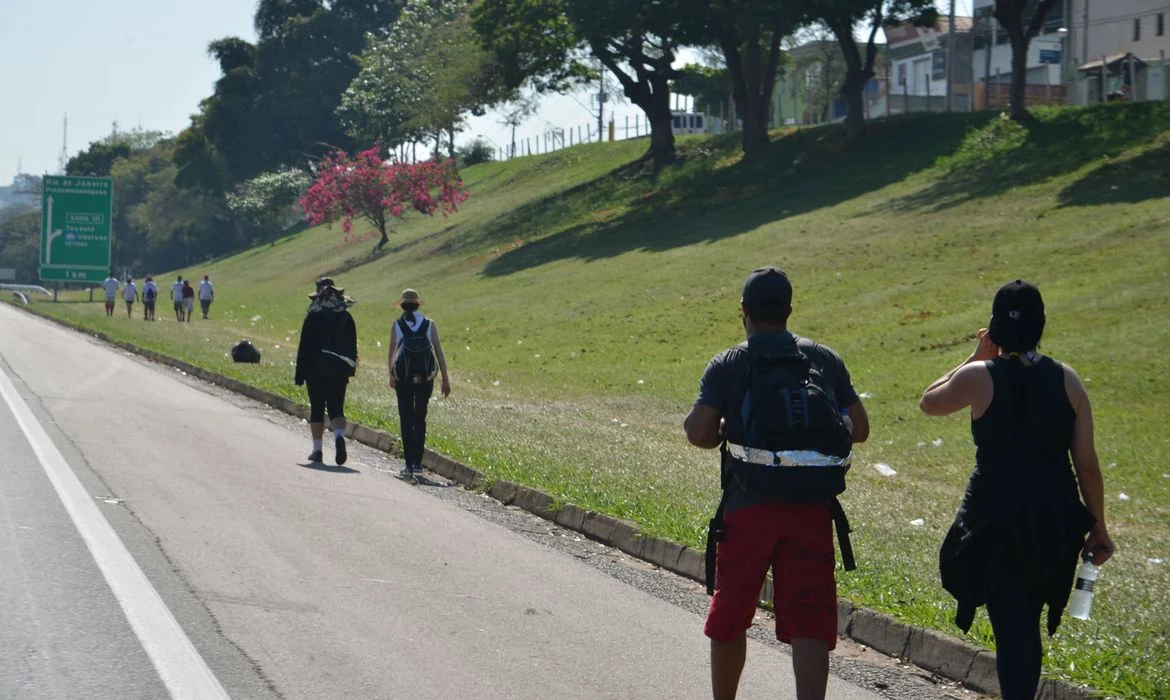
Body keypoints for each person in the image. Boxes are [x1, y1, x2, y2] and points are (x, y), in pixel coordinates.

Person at [919, 280, 1113, 700]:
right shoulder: (1068, 380)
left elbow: (929, 402)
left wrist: (975, 356)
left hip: (995, 518)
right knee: (1026, 623)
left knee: (1014, 625)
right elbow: (1088, 466)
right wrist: (1098, 527)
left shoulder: (978, 376)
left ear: (994, 328)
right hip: (1054, 518)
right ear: (1041, 325)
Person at [684, 267, 868, 700]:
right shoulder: (823, 358)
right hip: (813, 508)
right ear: (788, 309)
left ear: (743, 311)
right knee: (810, 622)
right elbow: (858, 428)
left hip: (748, 506)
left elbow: (698, 432)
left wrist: (724, 430)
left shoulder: (730, 363)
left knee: (731, 616)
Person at [387, 289, 450, 476]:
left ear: (402, 306)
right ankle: (418, 462)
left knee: (406, 418)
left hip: (403, 377)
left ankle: (408, 463)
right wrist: (445, 379)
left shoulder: (397, 325)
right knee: (420, 417)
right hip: (425, 377)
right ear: (418, 305)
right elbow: (439, 352)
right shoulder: (429, 324)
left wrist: (391, 375)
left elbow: (392, 353)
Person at [294, 278, 358, 465]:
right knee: (336, 408)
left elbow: (304, 347)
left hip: (314, 369)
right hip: (339, 369)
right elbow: (352, 345)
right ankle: (339, 436)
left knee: (317, 408)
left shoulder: (313, 316)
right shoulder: (346, 317)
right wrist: (350, 368)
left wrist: (299, 373)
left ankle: (317, 450)